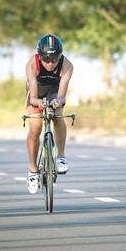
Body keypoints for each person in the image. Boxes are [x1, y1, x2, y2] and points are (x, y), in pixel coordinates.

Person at [24, 33, 74, 194]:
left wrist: (57, 102)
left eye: (55, 59)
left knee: (57, 114)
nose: (51, 63)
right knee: (35, 127)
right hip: (36, 91)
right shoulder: (32, 63)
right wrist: (38, 102)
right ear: (40, 56)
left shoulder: (67, 65)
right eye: (46, 59)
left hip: (54, 91)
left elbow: (62, 96)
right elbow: (33, 98)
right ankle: (33, 170)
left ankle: (61, 156)